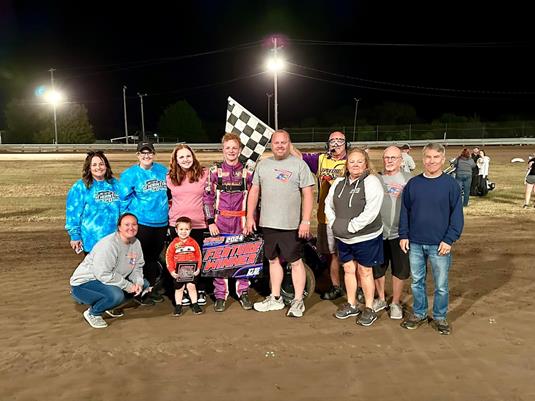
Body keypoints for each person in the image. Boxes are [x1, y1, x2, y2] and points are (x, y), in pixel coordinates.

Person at [245, 129, 315, 318]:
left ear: (289, 143)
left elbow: (308, 194)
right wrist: (249, 217)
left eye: (284, 142)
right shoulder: (263, 165)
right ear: (271, 145)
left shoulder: (300, 165)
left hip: (291, 225)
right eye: (277, 142)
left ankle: (298, 301)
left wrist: (306, 220)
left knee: (295, 262)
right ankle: (275, 298)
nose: (280, 145)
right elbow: (254, 192)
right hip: (268, 223)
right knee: (273, 260)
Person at [399, 143, 464, 335]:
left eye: (436, 157)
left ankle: (440, 316)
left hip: (440, 244)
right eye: (428, 157)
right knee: (417, 282)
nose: (432, 161)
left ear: (443, 159)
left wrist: (449, 239)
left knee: (441, 285)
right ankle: (419, 313)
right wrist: (404, 235)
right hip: (416, 243)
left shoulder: (451, 185)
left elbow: (457, 216)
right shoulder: (413, 184)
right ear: (423, 158)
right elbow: (405, 212)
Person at [325, 147, 384, 327]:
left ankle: (369, 307)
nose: (356, 165)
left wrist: (351, 226)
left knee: (365, 271)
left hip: (366, 237)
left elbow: (371, 211)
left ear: (365, 163)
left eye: (360, 161)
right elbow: (328, 204)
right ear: (347, 164)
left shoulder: (372, 181)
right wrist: (335, 224)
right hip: (344, 237)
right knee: (349, 269)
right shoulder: (339, 182)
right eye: (352, 161)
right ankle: (351, 304)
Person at [290, 131, 349, 301]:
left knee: (352, 255)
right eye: (333, 140)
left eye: (340, 140)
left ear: (346, 143)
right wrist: (287, 141)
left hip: (347, 217)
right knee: (331, 254)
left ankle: (358, 288)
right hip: (325, 217)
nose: (336, 144)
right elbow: (299, 156)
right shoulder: (322, 159)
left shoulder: (352, 160)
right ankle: (336, 286)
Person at [204, 133, 254, 312]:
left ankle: (243, 292)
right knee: (220, 259)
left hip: (241, 221)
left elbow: (255, 198)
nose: (231, 151)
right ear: (223, 150)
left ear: (240, 150)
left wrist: (251, 219)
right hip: (220, 220)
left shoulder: (248, 172)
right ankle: (220, 295)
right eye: (228, 148)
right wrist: (210, 221)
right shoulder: (214, 172)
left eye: (235, 148)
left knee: (244, 257)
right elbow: (207, 198)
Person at [70, 213, 147, 329]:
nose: (131, 228)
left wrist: (138, 283)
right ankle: (93, 313)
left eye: (134, 224)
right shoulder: (109, 245)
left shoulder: (136, 243)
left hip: (109, 279)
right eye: (127, 224)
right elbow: (103, 274)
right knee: (116, 295)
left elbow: (137, 266)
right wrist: (128, 286)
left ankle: (110, 306)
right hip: (86, 283)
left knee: (144, 284)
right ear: (119, 227)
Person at [118, 141, 168, 304]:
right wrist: (126, 224)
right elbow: (122, 200)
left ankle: (150, 288)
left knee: (153, 258)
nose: (146, 156)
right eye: (143, 153)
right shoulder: (130, 174)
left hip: (161, 223)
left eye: (149, 153)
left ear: (154, 154)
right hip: (142, 223)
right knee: (138, 258)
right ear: (138, 155)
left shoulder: (163, 171)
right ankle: (136, 291)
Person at [372, 146, 412, 320]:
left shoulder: (409, 180)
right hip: (378, 233)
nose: (389, 161)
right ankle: (381, 298)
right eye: (386, 157)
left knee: (400, 270)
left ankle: (395, 302)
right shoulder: (376, 179)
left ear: (401, 161)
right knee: (377, 268)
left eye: (393, 158)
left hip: (400, 234)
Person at [167, 144, 209, 306]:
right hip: (177, 225)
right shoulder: (169, 177)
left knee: (198, 257)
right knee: (180, 257)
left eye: (188, 156)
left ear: (193, 156)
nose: (185, 159)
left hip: (198, 224)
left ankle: (199, 288)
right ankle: (182, 288)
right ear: (176, 160)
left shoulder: (204, 173)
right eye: (181, 157)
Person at [65, 151, 121, 254]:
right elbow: (72, 214)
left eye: (101, 164)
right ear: (89, 168)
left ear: (106, 166)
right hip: (92, 241)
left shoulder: (115, 184)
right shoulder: (80, 187)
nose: (98, 167)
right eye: (94, 165)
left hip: (115, 239)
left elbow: (124, 208)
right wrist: (75, 235)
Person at [165, 217, 203, 316]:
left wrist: (198, 268)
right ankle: (178, 306)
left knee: (191, 287)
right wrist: (172, 271)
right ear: (176, 230)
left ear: (190, 230)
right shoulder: (173, 244)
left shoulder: (193, 242)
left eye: (186, 229)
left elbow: (199, 255)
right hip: (178, 272)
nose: (184, 232)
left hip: (191, 271)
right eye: (181, 229)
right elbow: (168, 257)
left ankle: (195, 304)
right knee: (179, 289)